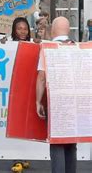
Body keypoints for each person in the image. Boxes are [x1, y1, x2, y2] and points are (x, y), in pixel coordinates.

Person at [36, 17, 76, 173]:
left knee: (57, 144)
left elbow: (41, 76)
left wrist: (38, 101)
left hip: (57, 103)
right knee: (72, 144)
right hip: (76, 103)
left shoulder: (48, 48)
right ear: (69, 30)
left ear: (52, 30)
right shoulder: (80, 48)